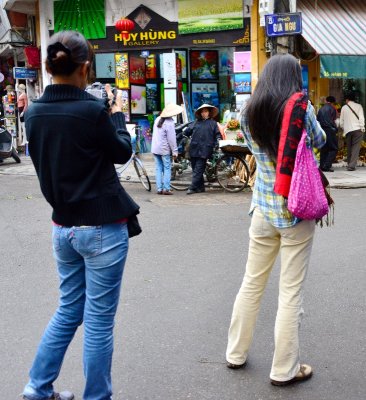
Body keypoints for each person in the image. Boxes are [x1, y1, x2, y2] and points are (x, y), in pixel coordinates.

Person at [22, 30, 140, 400]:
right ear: (85, 68)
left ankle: (37, 388)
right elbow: (122, 152)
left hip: (63, 227)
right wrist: (117, 115)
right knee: (99, 323)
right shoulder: (91, 111)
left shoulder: (34, 112)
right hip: (102, 228)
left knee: (68, 310)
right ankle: (96, 397)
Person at [225, 54, 326, 386]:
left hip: (263, 210)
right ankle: (285, 370)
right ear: (294, 78)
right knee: (290, 293)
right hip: (295, 210)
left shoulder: (248, 111)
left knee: (251, 283)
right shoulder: (301, 109)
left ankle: (235, 354)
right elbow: (320, 140)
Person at [184, 103, 221, 194]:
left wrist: (218, 141)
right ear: (200, 113)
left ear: (209, 113)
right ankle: (200, 187)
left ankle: (192, 187)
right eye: (203, 112)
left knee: (198, 169)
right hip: (194, 148)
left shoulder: (213, 123)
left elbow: (218, 135)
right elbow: (187, 132)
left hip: (205, 149)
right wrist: (184, 131)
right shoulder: (195, 122)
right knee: (194, 168)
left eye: (206, 111)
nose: (204, 113)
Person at [151, 103, 183, 195]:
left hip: (155, 148)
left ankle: (159, 189)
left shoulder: (157, 119)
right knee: (167, 168)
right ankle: (166, 189)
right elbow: (172, 139)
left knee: (158, 168)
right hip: (164, 149)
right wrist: (175, 151)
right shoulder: (170, 122)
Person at [339, 91, 365, 171]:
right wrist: (362, 127)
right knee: (356, 148)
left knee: (349, 147)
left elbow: (341, 122)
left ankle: (349, 163)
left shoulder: (344, 107)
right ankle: (351, 166)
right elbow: (361, 118)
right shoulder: (359, 106)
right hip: (357, 130)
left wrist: (344, 128)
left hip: (348, 131)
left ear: (347, 99)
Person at [317, 96, 338, 172]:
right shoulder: (333, 109)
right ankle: (327, 165)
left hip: (322, 130)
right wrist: (335, 129)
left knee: (324, 148)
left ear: (326, 100)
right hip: (330, 130)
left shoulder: (321, 109)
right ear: (333, 102)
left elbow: (318, 119)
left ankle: (322, 166)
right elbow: (334, 120)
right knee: (334, 148)